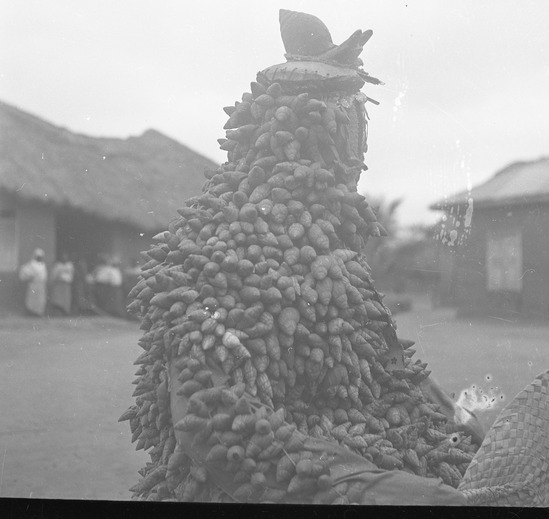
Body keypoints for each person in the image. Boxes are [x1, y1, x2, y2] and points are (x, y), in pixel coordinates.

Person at [19, 248, 48, 316]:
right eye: (38, 256)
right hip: (33, 285)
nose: (40, 258)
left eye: (41, 257)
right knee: (32, 300)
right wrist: (30, 277)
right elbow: (24, 272)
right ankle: (31, 313)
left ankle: (39, 313)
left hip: (41, 286)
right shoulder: (31, 264)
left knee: (41, 300)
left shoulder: (43, 265)